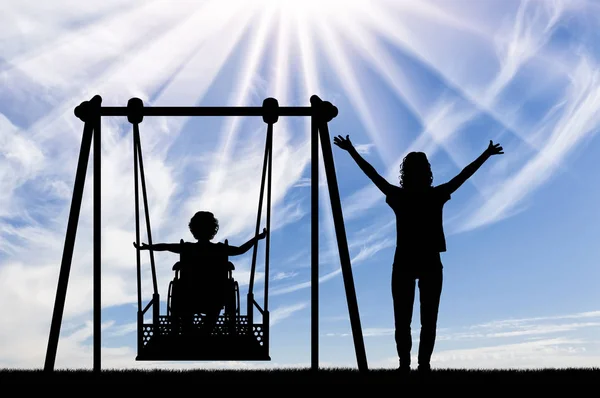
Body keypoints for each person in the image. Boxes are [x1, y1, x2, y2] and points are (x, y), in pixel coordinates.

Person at [333, 134, 503, 375]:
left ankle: (410, 365)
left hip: (409, 261)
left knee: (407, 320)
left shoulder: (403, 196)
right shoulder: (433, 195)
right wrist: (485, 155)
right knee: (424, 320)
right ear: (426, 172)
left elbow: (373, 175)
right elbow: (463, 176)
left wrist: (351, 150)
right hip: (424, 261)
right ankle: (420, 366)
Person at [133, 211, 267, 336]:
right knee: (212, 308)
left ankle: (191, 332)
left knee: (187, 309)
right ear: (213, 230)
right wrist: (257, 238)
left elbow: (166, 246)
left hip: (189, 296)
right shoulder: (219, 249)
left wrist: (147, 247)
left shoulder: (187, 248)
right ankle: (202, 332)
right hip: (214, 296)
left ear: (194, 230)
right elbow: (240, 250)